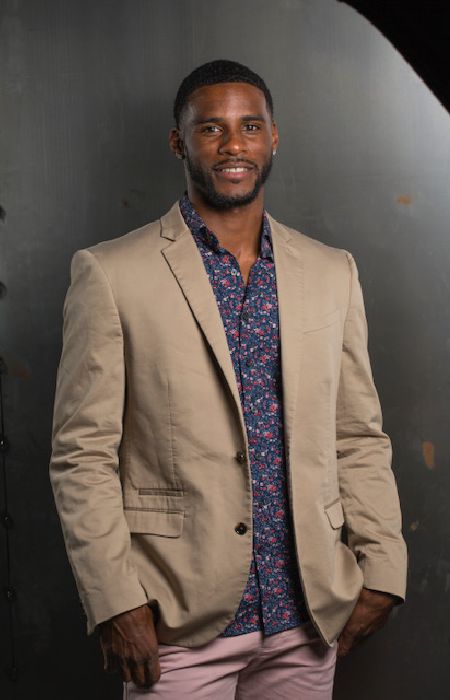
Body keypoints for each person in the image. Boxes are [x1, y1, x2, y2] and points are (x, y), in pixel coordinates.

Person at [50, 60, 407, 699]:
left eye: (250, 127)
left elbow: (356, 434)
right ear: (179, 141)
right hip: (176, 618)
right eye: (211, 128)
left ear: (274, 137)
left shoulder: (332, 271)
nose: (233, 144)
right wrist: (113, 600)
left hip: (307, 615)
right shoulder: (111, 273)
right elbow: (83, 454)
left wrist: (383, 567)